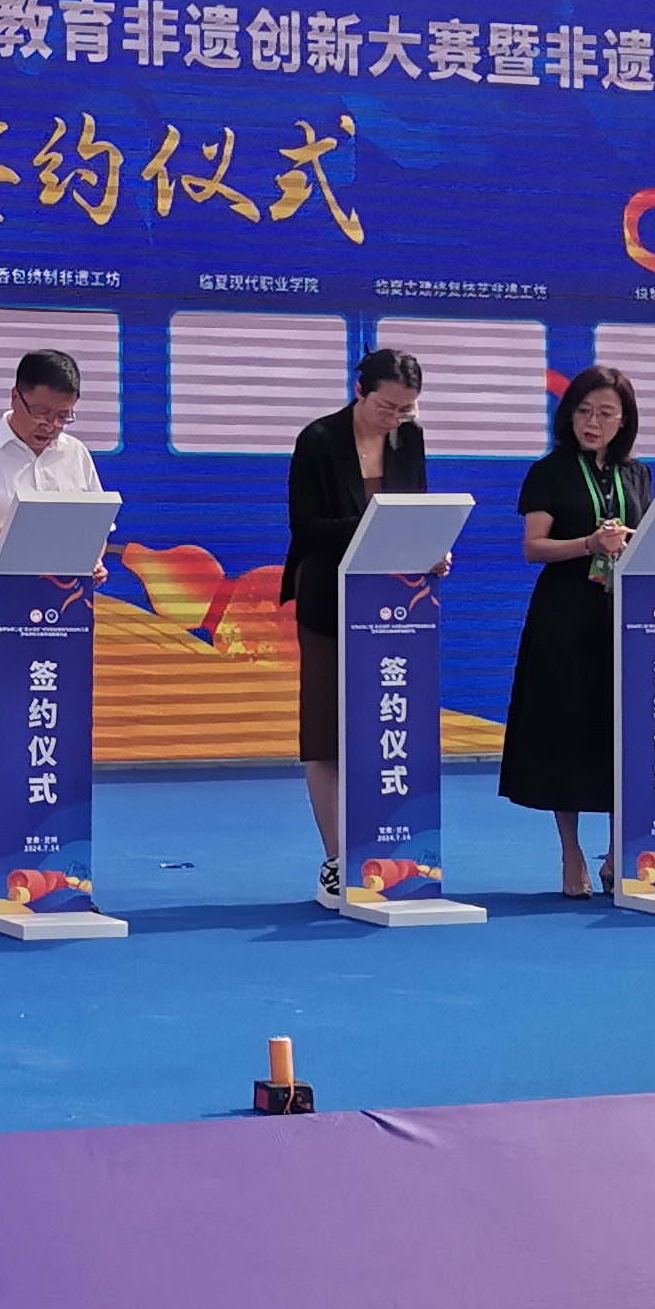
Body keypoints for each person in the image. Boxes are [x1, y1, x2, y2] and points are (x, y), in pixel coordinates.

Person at [0, 347, 106, 915]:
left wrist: (91, 558)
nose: (51, 427)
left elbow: (92, 524)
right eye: (42, 413)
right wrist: (25, 533)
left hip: (62, 617)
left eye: (64, 416)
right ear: (15, 397)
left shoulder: (75, 455)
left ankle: (61, 874)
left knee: (56, 741)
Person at [284, 347, 431, 910]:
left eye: (406, 409)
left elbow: (417, 511)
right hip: (328, 600)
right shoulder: (319, 439)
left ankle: (387, 850)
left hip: (393, 606)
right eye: (386, 407)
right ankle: (337, 858)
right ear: (359, 391)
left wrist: (428, 548)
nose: (395, 419)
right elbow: (306, 528)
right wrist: (379, 528)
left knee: (386, 726)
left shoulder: (410, 439)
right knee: (327, 733)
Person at [501, 366, 650, 896]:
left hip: (623, 618)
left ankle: (617, 852)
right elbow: (533, 547)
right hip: (564, 618)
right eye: (584, 411)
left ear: (624, 421)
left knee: (620, 733)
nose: (593, 422)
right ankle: (572, 853)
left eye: (606, 413)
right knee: (565, 732)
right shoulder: (550, 470)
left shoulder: (638, 474)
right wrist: (589, 544)